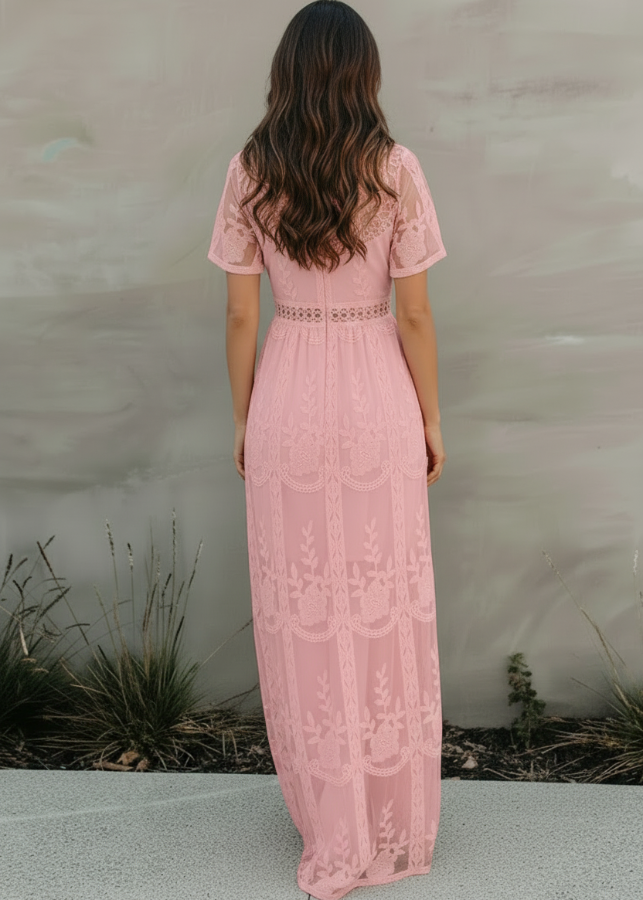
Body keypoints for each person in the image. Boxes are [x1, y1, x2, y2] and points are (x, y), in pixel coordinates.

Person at [207, 3, 447, 897]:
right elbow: (414, 313)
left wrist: (244, 418)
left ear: (287, 72)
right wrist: (431, 419)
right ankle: (383, 822)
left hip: (288, 395)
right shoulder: (394, 168)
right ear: (362, 74)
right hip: (377, 393)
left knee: (302, 610)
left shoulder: (251, 169)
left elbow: (240, 314)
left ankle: (329, 818)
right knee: (380, 604)